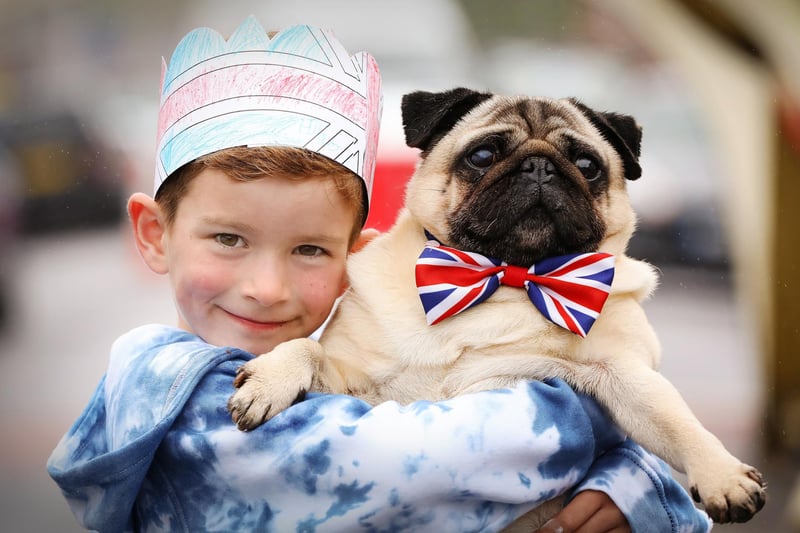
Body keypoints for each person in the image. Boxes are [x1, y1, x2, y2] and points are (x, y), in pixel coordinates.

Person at [47, 17, 711, 533]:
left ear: (355, 256)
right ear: (153, 235)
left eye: (309, 249)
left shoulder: (345, 350)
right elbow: (431, 459)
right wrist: (619, 437)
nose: (266, 285)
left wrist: (646, 466)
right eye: (228, 239)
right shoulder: (166, 396)